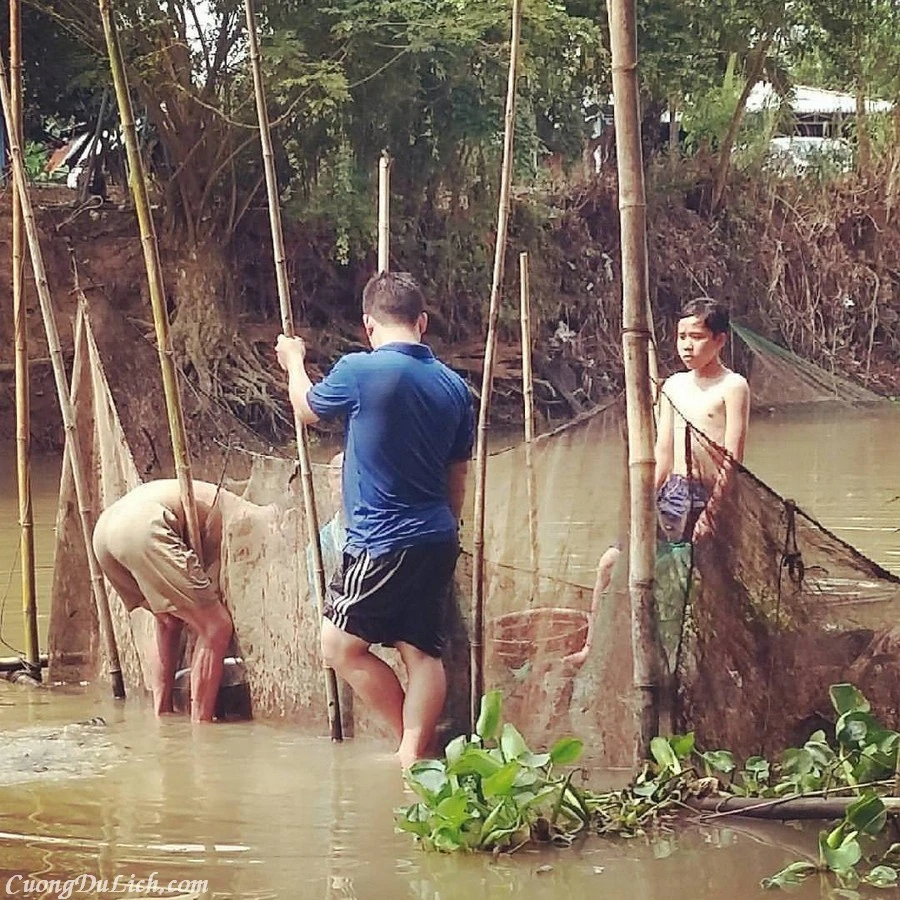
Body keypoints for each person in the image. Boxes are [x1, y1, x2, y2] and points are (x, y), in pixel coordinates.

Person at [275, 271, 474, 768]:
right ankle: (414, 755)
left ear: (368, 325)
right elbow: (458, 474)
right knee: (421, 650)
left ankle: (414, 749)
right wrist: (449, 527)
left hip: (380, 539)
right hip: (437, 535)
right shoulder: (455, 388)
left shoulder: (360, 370)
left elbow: (307, 409)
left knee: (339, 645)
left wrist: (293, 361)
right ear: (422, 321)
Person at [92, 479, 239, 723]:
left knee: (168, 620)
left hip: (106, 530)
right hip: (143, 527)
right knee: (215, 626)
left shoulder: (218, 496)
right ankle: (201, 727)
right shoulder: (246, 517)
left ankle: (163, 716)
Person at [654, 297, 750, 542]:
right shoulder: (673, 385)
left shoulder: (732, 386)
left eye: (697, 337)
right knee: (657, 567)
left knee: (707, 570)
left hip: (712, 490)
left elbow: (733, 458)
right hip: (674, 490)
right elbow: (663, 453)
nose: (687, 346)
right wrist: (646, 497)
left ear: (719, 340)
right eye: (682, 337)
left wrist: (713, 512)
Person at [307, 451, 347, 604]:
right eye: (337, 476)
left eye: (347, 473)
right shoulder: (321, 545)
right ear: (329, 483)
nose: (342, 482)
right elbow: (319, 600)